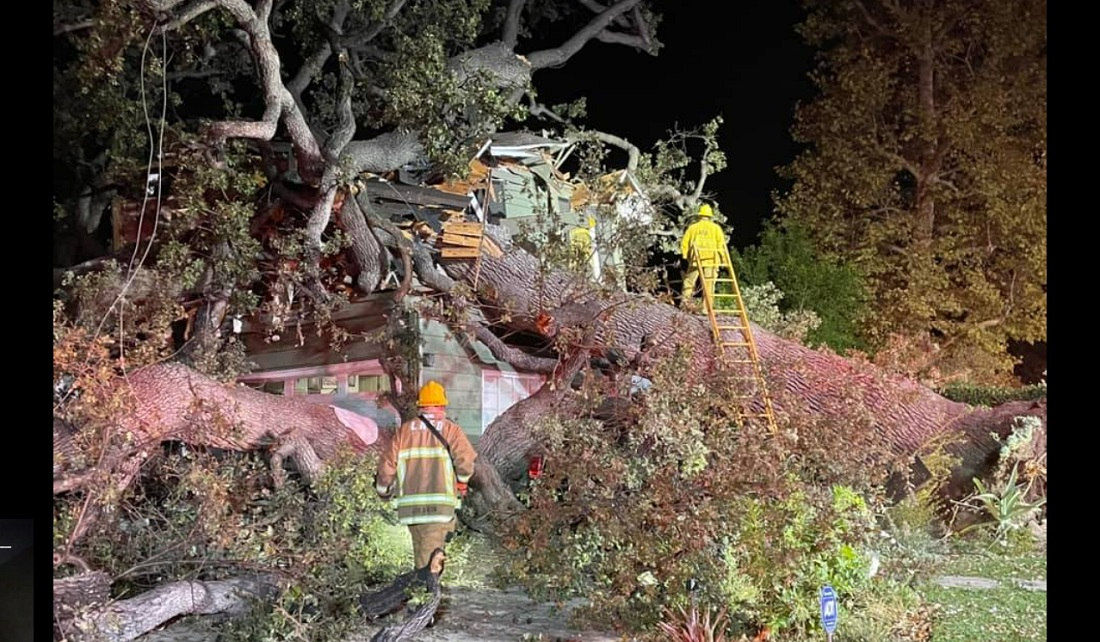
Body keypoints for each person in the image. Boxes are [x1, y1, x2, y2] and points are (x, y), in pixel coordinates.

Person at [375, 381, 478, 570]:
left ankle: (424, 592)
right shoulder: (450, 430)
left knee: (422, 556)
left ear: (421, 406)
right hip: (439, 508)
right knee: (430, 563)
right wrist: (462, 482)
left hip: (411, 509)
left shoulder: (403, 432)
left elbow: (386, 468)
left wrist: (383, 492)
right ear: (441, 405)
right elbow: (466, 461)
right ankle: (428, 595)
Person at [680, 203, 728, 307]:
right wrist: (723, 260)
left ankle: (685, 304)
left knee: (689, 282)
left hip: (696, 259)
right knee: (709, 285)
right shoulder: (716, 228)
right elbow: (721, 245)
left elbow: (684, 243)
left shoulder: (693, 228)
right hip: (712, 259)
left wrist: (685, 255)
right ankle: (706, 309)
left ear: (699, 215)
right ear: (710, 216)